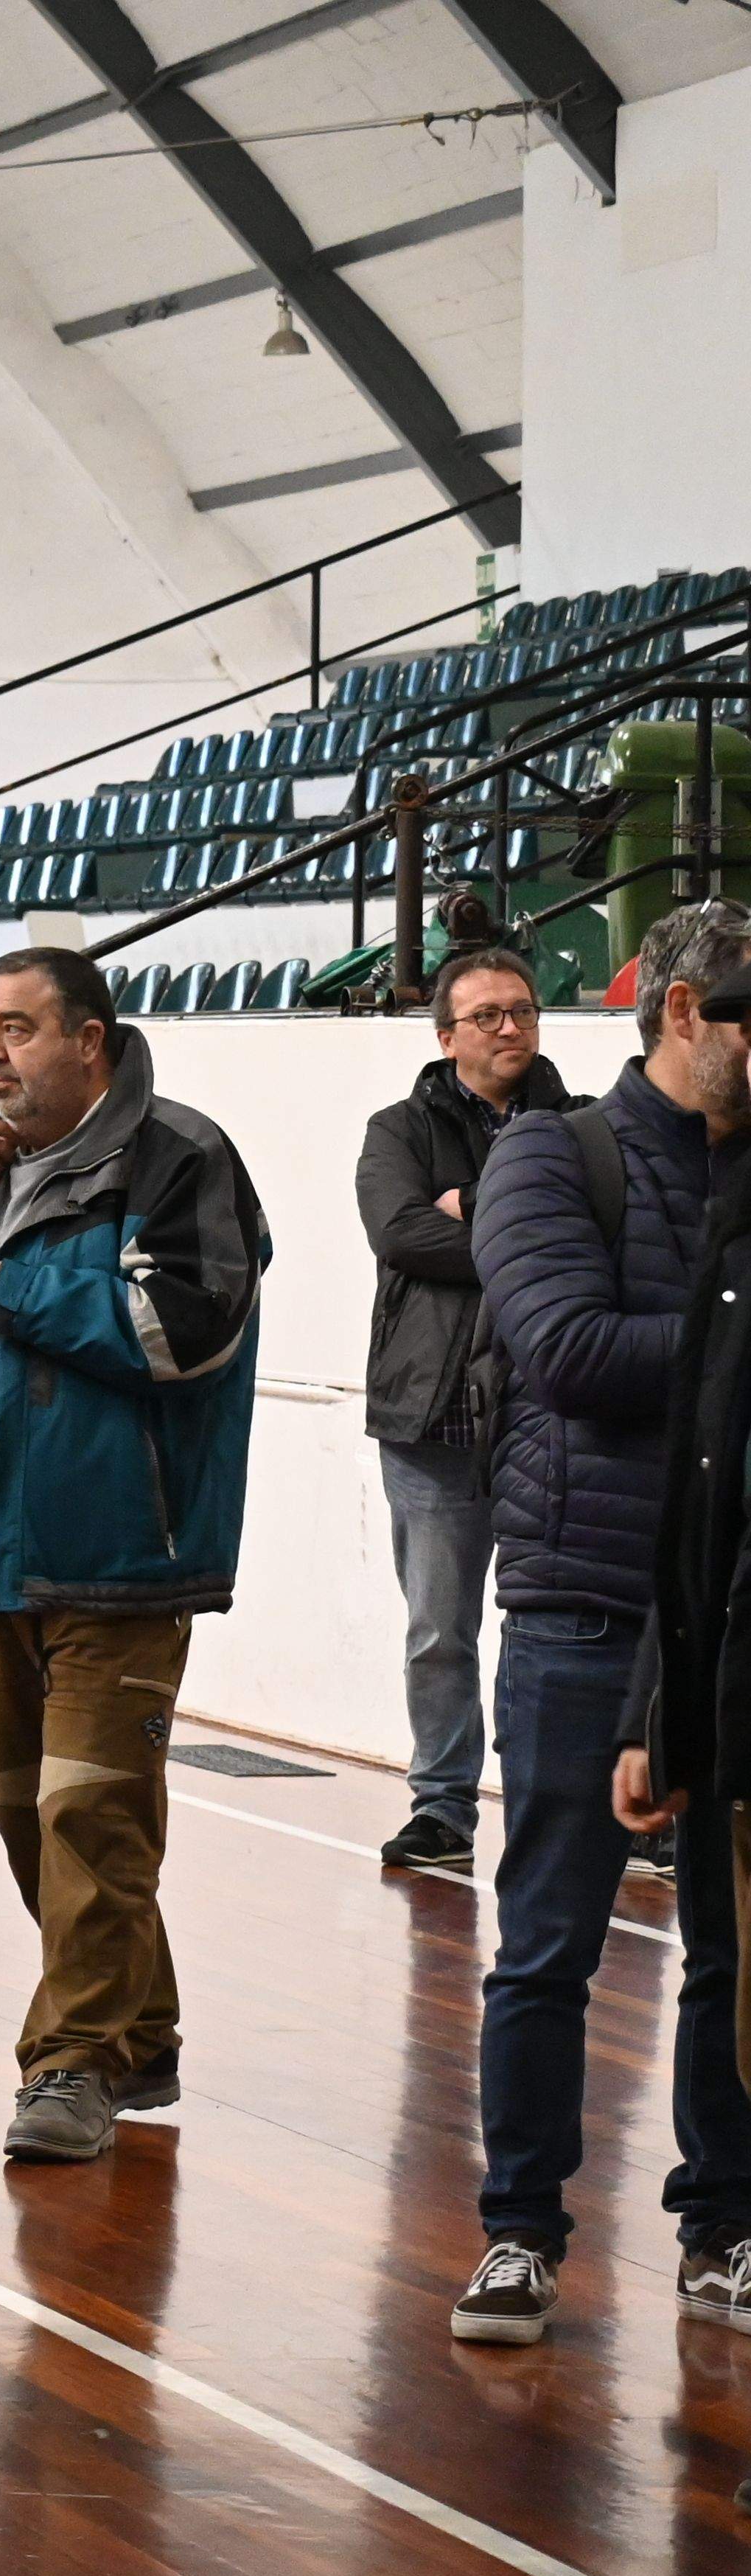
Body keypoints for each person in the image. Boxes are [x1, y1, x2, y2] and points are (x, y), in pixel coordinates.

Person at [0, 946, 268, 2165]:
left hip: (116, 1558)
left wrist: (17, 1294)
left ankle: (67, 2066)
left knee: (85, 1817)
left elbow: (179, 1326)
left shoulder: (178, 1157)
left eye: (15, 1030)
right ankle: (139, 2029)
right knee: (32, 1821)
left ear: (90, 1041)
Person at [448, 905, 751, 2343]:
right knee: (549, 1936)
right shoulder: (546, 1155)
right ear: (682, 1010)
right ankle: (519, 2225)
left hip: (730, 1602)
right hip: (583, 1594)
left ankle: (725, 2220)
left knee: (734, 1944)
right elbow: (565, 1348)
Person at [360, 947, 572, 1874]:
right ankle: (443, 1808)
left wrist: (471, 1207)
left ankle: (586, 1809)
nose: (509, 1027)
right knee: (439, 1631)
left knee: (566, 1627)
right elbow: (400, 1234)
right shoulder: (397, 1127)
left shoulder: (584, 1123)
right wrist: (524, 1225)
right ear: (446, 1037)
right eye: (486, 1015)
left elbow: (598, 1234)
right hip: (432, 1417)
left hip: (554, 1419)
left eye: (521, 1009)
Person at [623, 954, 751, 2368]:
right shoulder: (728, 1221)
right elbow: (695, 1499)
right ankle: (719, 2212)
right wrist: (657, 1712)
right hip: (722, 1693)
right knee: (717, 1963)